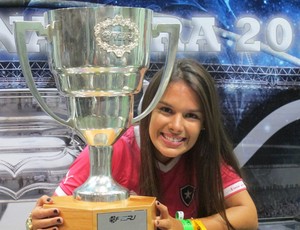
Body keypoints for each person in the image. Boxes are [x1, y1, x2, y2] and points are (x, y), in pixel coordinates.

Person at [27, 59, 258, 230]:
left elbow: (248, 215)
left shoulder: (203, 153)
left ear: (205, 123)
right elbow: (52, 212)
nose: (176, 126)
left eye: (191, 116)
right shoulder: (112, 148)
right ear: (146, 109)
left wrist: (185, 227)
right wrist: (36, 222)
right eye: (166, 110)